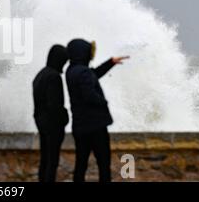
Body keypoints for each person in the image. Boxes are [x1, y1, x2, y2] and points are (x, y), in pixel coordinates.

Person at [66, 39, 129, 182]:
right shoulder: (83, 72)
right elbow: (89, 95)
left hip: (80, 126)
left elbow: (93, 74)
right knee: (103, 163)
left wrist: (110, 63)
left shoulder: (72, 70)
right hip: (95, 126)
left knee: (81, 164)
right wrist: (103, 101)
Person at [33, 44, 69, 182]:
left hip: (42, 124)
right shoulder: (54, 77)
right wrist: (65, 117)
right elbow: (55, 106)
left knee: (45, 161)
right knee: (51, 162)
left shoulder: (40, 75)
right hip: (52, 127)